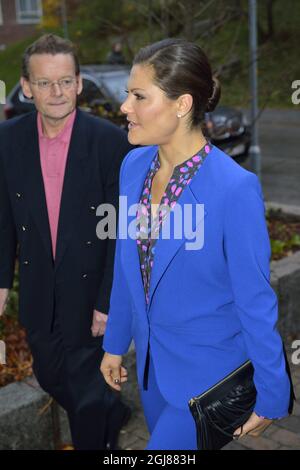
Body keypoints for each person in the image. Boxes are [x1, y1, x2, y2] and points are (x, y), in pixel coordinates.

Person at [100, 38, 293, 450]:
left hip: (209, 379)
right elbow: (125, 264)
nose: (125, 108)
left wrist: (273, 394)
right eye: (127, 95)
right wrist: (115, 345)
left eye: (138, 96)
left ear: (182, 104)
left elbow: (255, 300)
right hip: (152, 373)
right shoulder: (133, 166)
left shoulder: (234, 189)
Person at [0, 34, 132, 450]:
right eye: (44, 82)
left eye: (65, 81)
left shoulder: (111, 142)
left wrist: (109, 302)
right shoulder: (7, 140)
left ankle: (101, 430)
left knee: (88, 398)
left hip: (92, 291)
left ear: (78, 83)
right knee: (53, 376)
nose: (56, 92)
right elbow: (3, 218)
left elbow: (120, 230)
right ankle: (114, 413)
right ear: (26, 87)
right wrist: (2, 282)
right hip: (39, 291)